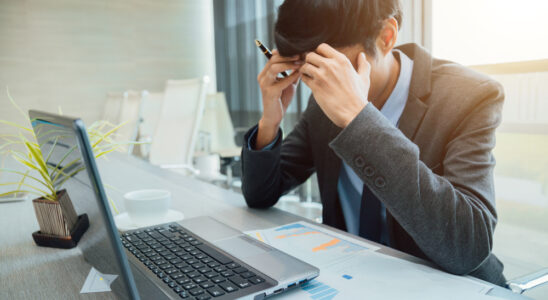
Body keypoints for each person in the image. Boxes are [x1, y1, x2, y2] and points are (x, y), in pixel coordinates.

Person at [241, 0, 506, 286]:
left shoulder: (469, 96)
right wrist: (270, 120)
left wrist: (359, 119)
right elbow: (261, 195)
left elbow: (468, 246)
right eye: (304, 67)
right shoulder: (321, 102)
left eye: (327, 63)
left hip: (447, 286)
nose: (316, 80)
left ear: (386, 37)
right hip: (348, 279)